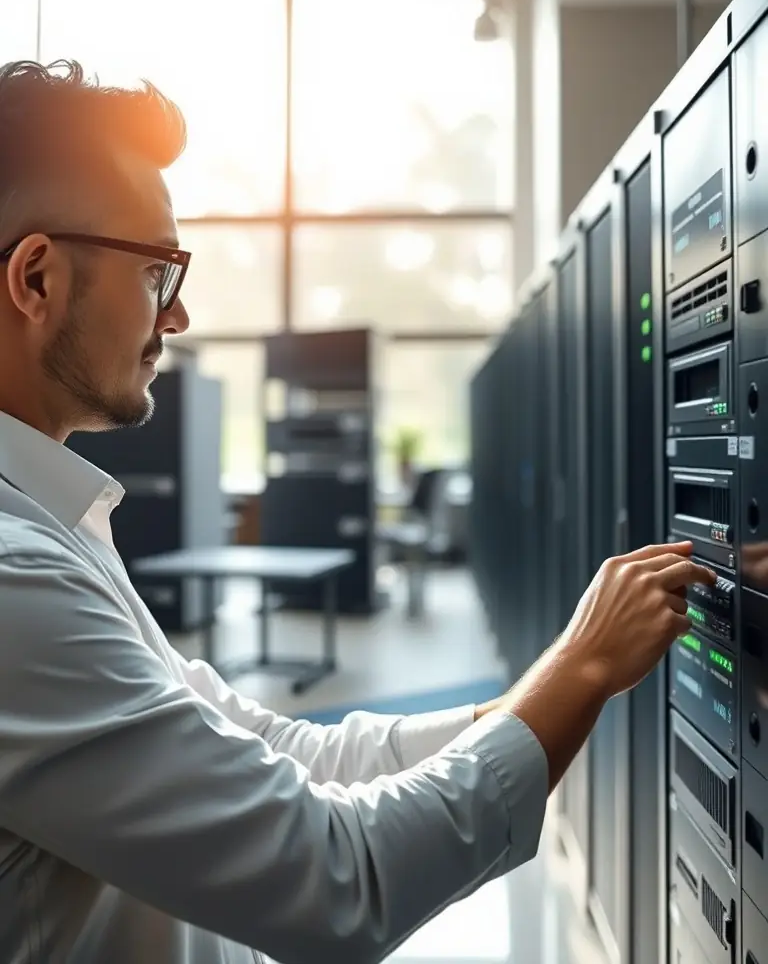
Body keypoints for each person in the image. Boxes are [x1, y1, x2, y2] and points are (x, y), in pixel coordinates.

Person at [0, 60, 714, 964]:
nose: (175, 317)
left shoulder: (54, 526)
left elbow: (275, 748)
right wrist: (582, 669)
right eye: (156, 272)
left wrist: (556, 681)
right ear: (36, 279)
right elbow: (339, 879)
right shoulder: (15, 577)